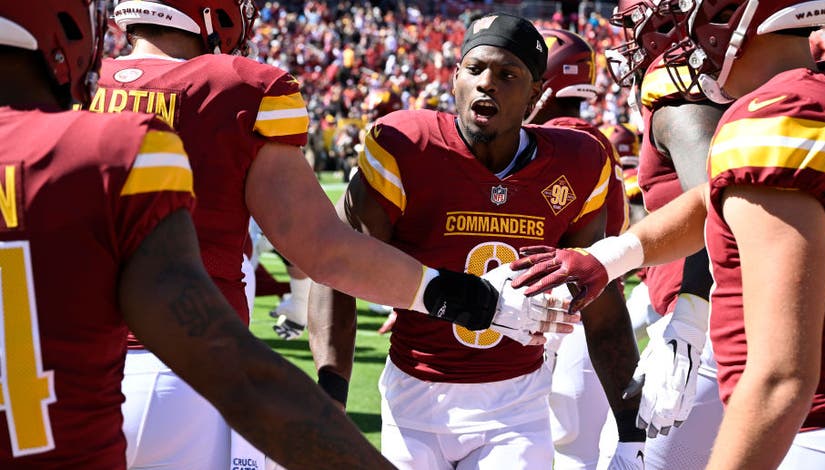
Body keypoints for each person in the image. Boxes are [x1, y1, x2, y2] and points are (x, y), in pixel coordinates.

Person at [95, 1, 576, 468]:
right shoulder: (241, 86)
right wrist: (475, 301)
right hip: (184, 369)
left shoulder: (81, 84)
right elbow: (323, 250)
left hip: (70, 370)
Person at [512, 0, 825, 467]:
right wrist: (610, 257)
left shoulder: (774, 118)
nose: (686, 35)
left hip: (813, 440)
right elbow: (722, 198)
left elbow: (781, 378)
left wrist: (689, 321)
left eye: (693, 13)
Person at [0, 2, 399, 468]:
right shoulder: (200, 106)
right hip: (175, 374)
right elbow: (319, 247)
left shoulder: (74, 114)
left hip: (55, 379)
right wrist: (444, 292)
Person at [308, 12, 645, 469]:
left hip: (517, 404)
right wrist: (331, 396)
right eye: (475, 69)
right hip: (414, 393)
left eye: (508, 75)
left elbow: (600, 303)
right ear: (454, 79)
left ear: (535, 95)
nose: (487, 83)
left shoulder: (579, 161)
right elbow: (337, 266)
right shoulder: (408, 146)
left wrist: (630, 428)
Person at [606, 1, 731, 467]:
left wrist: (690, 320)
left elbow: (713, 207)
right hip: (724, 323)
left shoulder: (682, 97)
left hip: (708, 332)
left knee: (623, 459)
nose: (633, 38)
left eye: (642, 23)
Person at [522, 27, 625, 470]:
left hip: (563, 313)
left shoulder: (565, 143)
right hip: (586, 308)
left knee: (562, 448)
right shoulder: (590, 136)